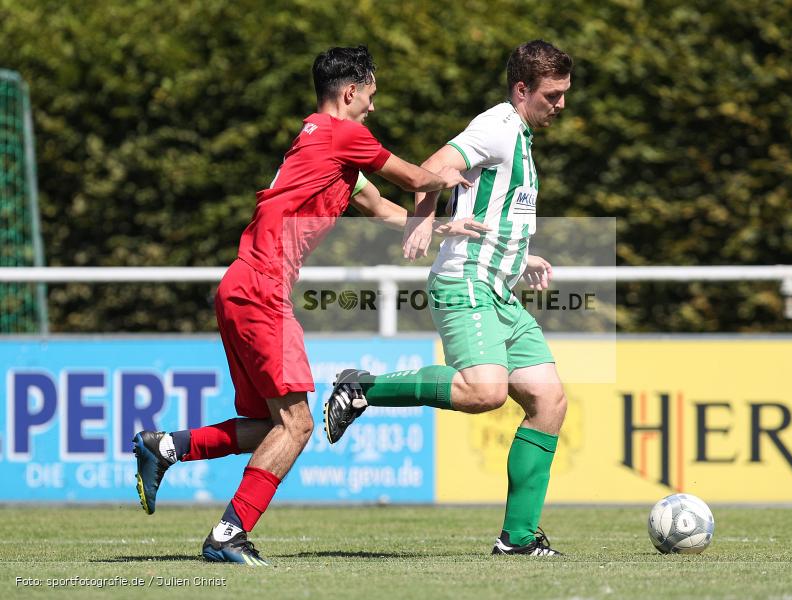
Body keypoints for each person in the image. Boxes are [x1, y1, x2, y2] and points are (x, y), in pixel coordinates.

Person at [131, 45, 471, 566]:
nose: (373, 109)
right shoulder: (343, 135)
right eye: (371, 97)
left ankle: (168, 447)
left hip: (240, 285)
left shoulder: (316, 143)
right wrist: (442, 179)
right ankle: (228, 534)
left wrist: (436, 226)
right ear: (350, 92)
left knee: (271, 425)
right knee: (297, 426)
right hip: (263, 288)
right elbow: (413, 177)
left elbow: (380, 204)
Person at [323, 40, 572, 557]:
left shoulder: (519, 136)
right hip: (466, 282)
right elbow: (435, 165)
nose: (561, 105)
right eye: (552, 95)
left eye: (564, 94)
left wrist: (520, 255)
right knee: (486, 392)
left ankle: (519, 539)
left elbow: (495, 208)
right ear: (522, 89)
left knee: (548, 399)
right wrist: (421, 221)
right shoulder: (497, 127)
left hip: (500, 286)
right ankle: (360, 387)